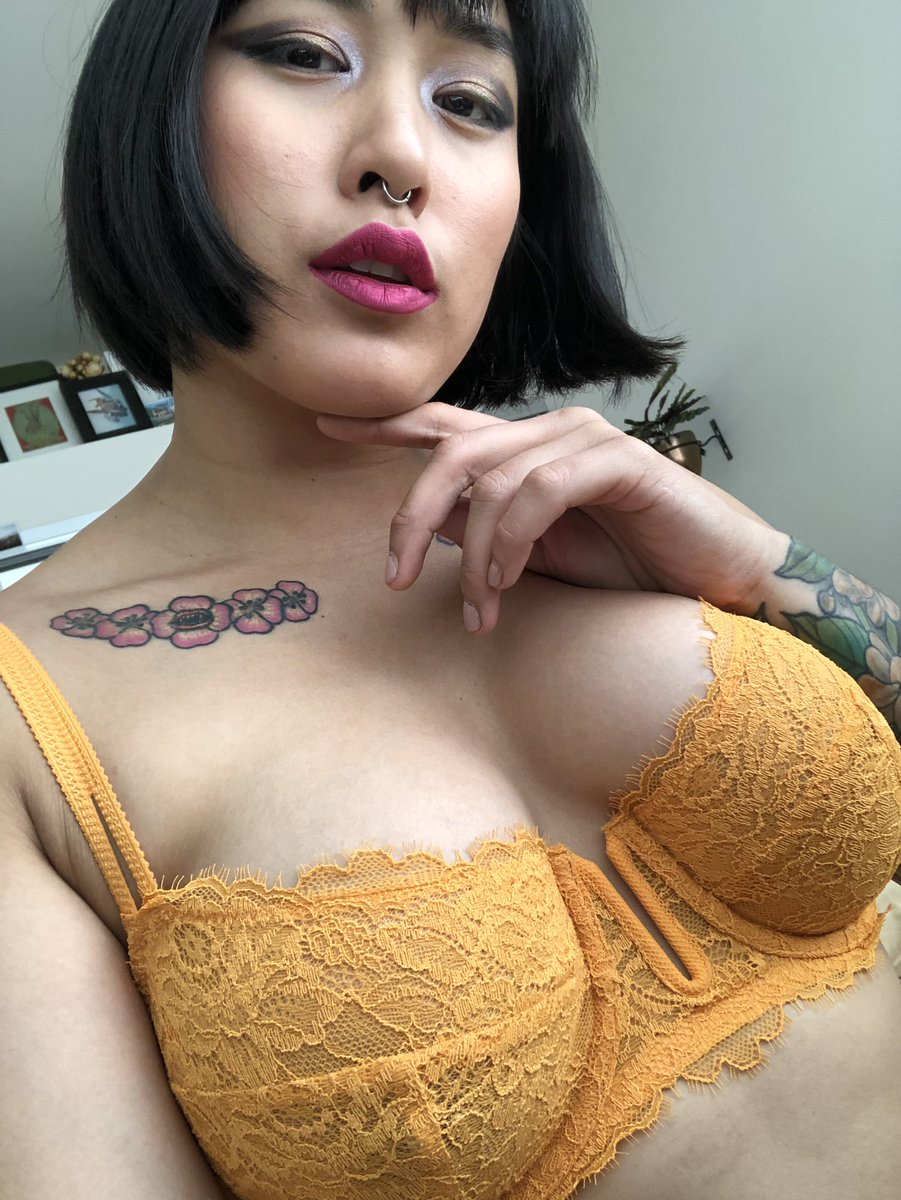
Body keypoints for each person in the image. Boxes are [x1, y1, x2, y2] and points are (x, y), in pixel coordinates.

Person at [1, 2, 899, 1198]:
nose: (402, 156)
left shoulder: (612, 521)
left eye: (470, 103)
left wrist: (754, 564)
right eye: (305, 55)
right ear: (148, 109)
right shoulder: (28, 714)